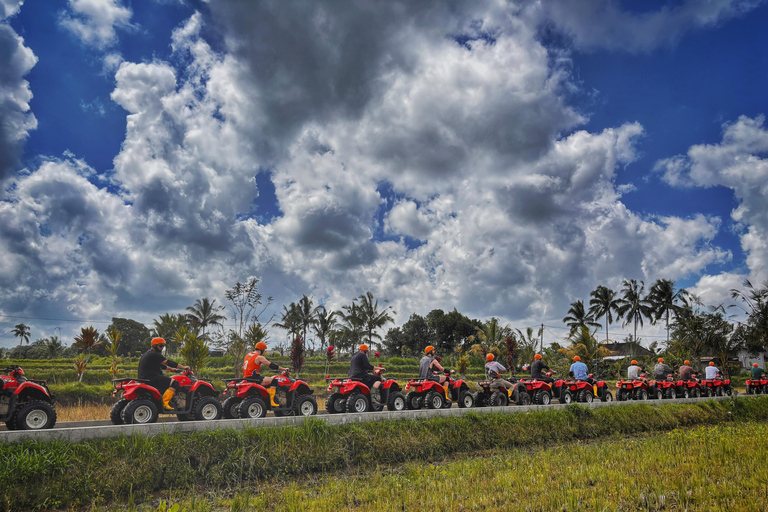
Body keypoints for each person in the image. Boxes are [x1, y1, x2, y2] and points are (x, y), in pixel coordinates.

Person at [138, 337, 190, 410]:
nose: (162, 348)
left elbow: (161, 366)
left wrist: (173, 370)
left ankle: (162, 401)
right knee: (175, 383)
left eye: (163, 346)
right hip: (151, 378)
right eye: (160, 346)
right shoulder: (155, 354)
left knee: (165, 381)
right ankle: (165, 403)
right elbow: (169, 362)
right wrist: (184, 367)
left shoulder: (148, 353)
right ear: (154, 346)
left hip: (145, 378)